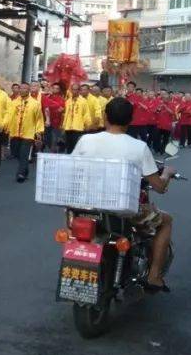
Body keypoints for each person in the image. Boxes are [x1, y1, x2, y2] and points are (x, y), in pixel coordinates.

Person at [73, 98, 176, 292]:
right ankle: (154, 276)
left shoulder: (86, 140)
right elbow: (159, 186)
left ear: (105, 117)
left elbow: (73, 168)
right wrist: (167, 173)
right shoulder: (138, 147)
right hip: (125, 210)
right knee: (167, 221)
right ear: (130, 120)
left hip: (88, 206)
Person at [6, 82, 44, 183]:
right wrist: (6, 126)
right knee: (16, 153)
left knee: (24, 153)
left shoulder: (35, 103)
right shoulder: (14, 102)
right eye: (21, 88)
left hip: (28, 133)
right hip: (15, 133)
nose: (23, 90)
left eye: (25, 89)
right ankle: (25, 169)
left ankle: (20, 174)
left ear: (29, 90)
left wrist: (38, 132)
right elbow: (9, 116)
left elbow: (39, 119)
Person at [62, 84, 90, 153]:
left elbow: (86, 113)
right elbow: (66, 114)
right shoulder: (68, 101)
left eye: (76, 89)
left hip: (78, 128)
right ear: (71, 90)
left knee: (76, 147)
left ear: (79, 91)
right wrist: (63, 125)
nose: (74, 91)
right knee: (68, 147)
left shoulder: (83, 101)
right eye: (73, 89)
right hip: (68, 128)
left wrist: (87, 124)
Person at [40, 82, 66, 154]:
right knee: (45, 139)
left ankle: (52, 155)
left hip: (56, 123)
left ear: (59, 90)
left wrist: (52, 108)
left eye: (57, 88)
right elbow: (43, 107)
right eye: (53, 88)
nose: (55, 90)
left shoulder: (61, 99)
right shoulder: (46, 97)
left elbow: (61, 110)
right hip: (45, 121)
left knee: (54, 140)